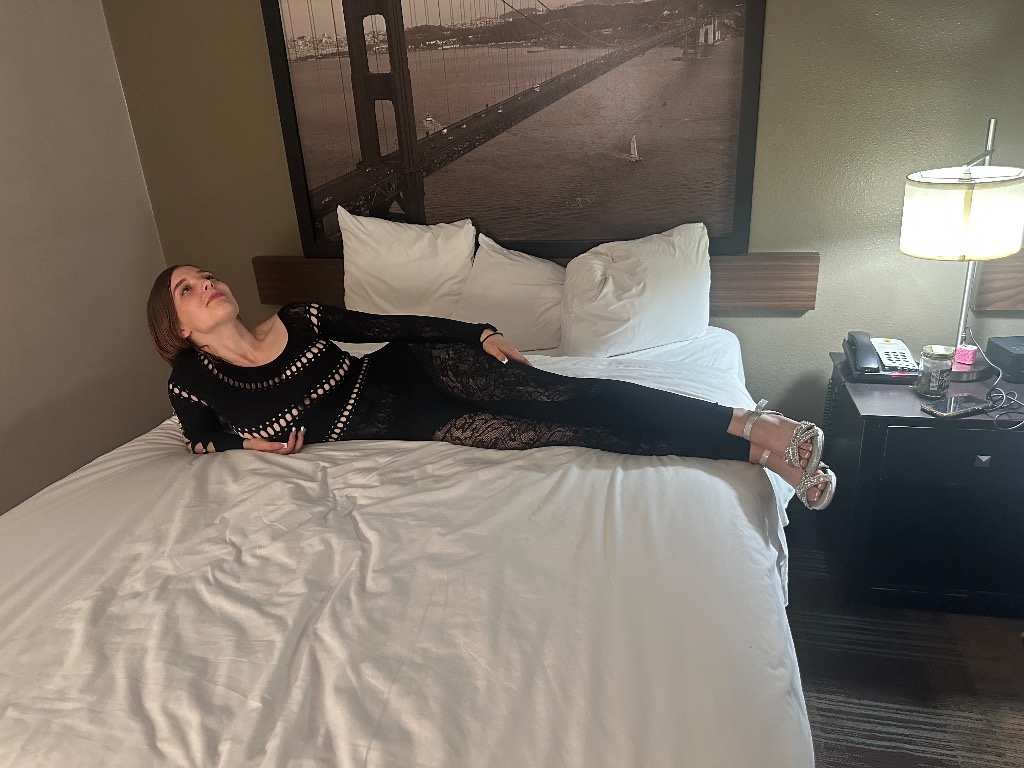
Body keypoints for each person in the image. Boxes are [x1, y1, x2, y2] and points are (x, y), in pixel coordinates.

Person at [147, 265, 836, 509]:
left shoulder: (298, 319)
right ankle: (759, 455)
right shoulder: (192, 382)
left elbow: (394, 325)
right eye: (187, 288)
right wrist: (249, 443)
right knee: (578, 431)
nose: (207, 284)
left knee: (576, 396)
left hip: (420, 368)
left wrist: (474, 332)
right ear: (176, 327)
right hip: (419, 425)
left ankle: (755, 423)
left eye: (206, 275)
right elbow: (200, 440)